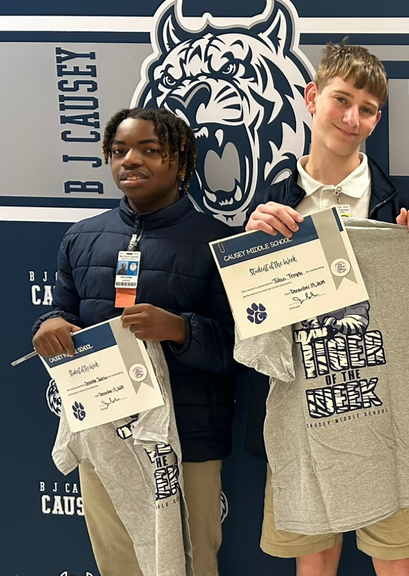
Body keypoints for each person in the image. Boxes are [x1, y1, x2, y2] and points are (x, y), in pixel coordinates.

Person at [242, 41, 409, 576]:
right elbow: (250, 324)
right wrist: (250, 255)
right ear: (312, 98)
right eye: (342, 100)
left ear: (378, 119)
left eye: (368, 109)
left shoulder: (402, 206)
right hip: (304, 421)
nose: (353, 118)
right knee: (314, 566)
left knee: (398, 563)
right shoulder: (271, 204)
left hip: (387, 421)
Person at [32, 107, 237, 576]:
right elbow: (64, 310)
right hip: (105, 432)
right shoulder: (81, 238)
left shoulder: (217, 241)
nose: (130, 160)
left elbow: (240, 349)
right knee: (118, 562)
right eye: (119, 150)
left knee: (190, 561)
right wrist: (51, 325)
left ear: (181, 163)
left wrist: (181, 330)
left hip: (188, 437)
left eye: (150, 149)